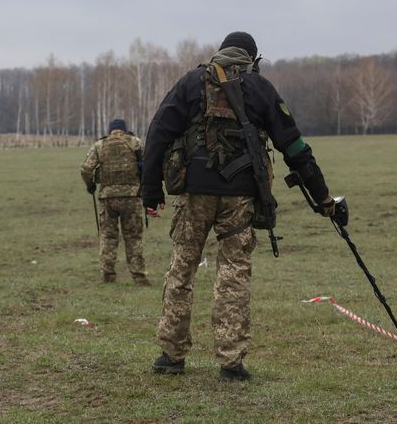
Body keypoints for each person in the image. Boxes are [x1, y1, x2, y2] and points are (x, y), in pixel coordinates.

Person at [142, 32, 336, 381]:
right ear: (252, 59)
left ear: (220, 53)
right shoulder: (260, 89)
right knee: (233, 274)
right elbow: (295, 148)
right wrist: (322, 197)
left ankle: (171, 355)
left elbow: (158, 132)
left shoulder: (190, 83)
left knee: (181, 271)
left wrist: (150, 189)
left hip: (194, 194)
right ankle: (231, 362)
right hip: (240, 197)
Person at [80, 119, 151, 286]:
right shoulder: (135, 143)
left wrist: (90, 185)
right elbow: (148, 165)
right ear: (125, 130)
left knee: (108, 236)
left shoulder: (99, 145)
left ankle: (108, 275)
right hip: (132, 197)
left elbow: (85, 169)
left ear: (110, 130)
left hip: (107, 198)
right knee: (133, 237)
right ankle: (139, 276)